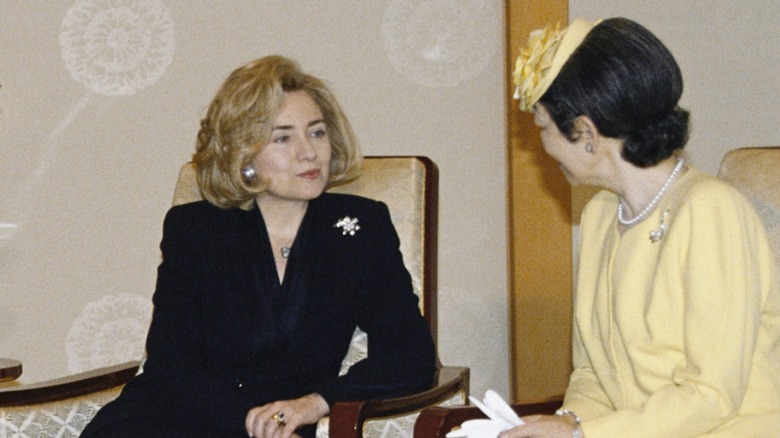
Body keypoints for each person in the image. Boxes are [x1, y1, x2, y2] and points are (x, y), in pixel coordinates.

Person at [81, 55, 436, 438]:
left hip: (284, 427)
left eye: (317, 132)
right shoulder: (195, 229)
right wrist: (253, 422)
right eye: (283, 138)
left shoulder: (360, 227)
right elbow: (172, 365)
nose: (308, 152)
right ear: (243, 155)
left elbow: (410, 355)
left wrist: (316, 402)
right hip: (174, 420)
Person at [502, 17, 780, 437]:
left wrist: (583, 436)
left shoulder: (710, 210)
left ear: (585, 131)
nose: (541, 147)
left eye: (543, 126)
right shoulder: (599, 214)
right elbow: (594, 371)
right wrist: (570, 419)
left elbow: (711, 395)